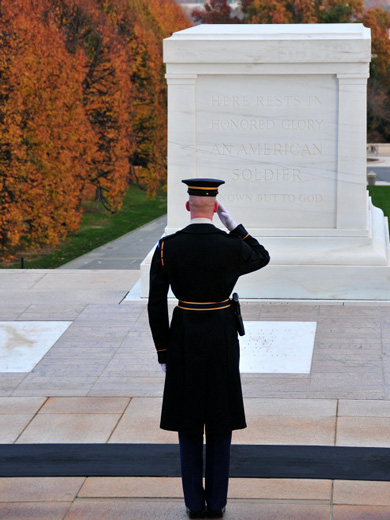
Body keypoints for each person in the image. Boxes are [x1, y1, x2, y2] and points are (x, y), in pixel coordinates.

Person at [148, 178, 270, 519]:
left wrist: (163, 352)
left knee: (188, 421)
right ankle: (216, 503)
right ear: (215, 209)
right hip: (221, 334)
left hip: (184, 334)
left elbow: (155, 304)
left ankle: (193, 503)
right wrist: (236, 228)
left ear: (188, 206)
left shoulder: (166, 247)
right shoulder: (231, 246)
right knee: (220, 417)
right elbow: (262, 257)